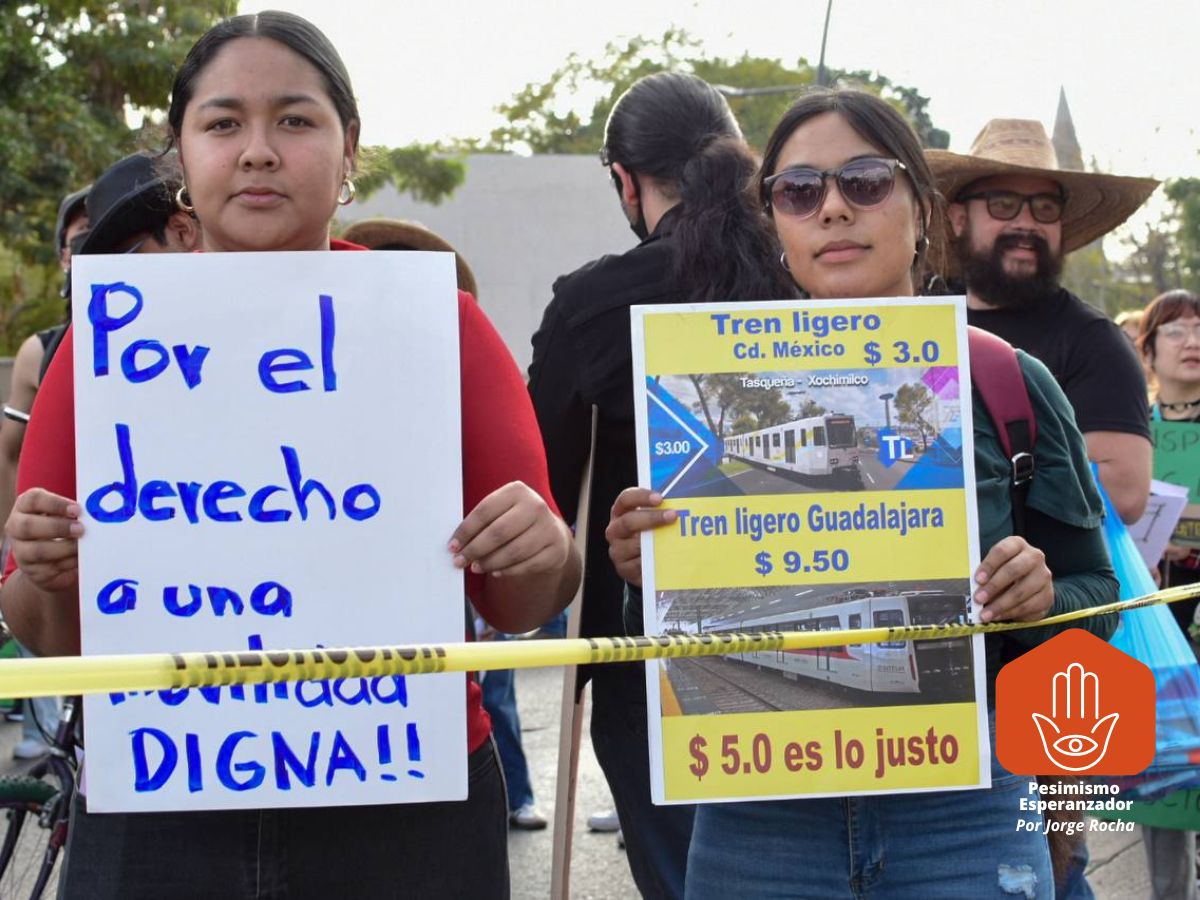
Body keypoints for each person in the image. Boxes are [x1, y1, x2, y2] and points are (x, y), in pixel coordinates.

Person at [0, 12, 579, 898]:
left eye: (296, 120)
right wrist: (45, 572)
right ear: (182, 155)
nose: (259, 151)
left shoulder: (440, 327)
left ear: (351, 151)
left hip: (406, 806)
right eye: (224, 122)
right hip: (159, 802)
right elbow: (49, 636)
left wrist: (543, 548)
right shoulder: (105, 345)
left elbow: (528, 598)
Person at [605, 89, 1119, 898]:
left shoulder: (1007, 381)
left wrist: (1043, 597)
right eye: (799, 190)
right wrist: (647, 575)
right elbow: (674, 640)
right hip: (757, 819)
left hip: (966, 809)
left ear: (924, 212)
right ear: (776, 224)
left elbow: (1103, 595)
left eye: (866, 181)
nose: (833, 208)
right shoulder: (707, 382)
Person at [527, 71, 790, 898]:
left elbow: (541, 483)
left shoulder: (593, 303)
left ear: (625, 180)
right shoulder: (806, 271)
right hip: (819, 630)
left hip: (648, 656)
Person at [345, 216, 548, 830]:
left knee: (497, 690)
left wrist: (539, 549)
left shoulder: (456, 349)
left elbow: (532, 590)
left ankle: (520, 793)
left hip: (420, 712)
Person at [927, 120, 1159, 526]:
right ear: (959, 218)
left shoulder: (1093, 341)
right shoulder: (921, 318)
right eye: (1003, 204)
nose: (1027, 223)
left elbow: (1124, 495)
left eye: (1045, 208)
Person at [0, 187, 87, 759]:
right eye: (84, 243)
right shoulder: (47, 350)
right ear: (62, 256)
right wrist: (18, 540)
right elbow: (12, 454)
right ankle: (40, 735)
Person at [1136, 289, 1200, 900]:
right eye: (1176, 331)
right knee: (1169, 778)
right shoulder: (1130, 435)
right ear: (1149, 350)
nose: (1193, 341)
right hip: (1158, 629)